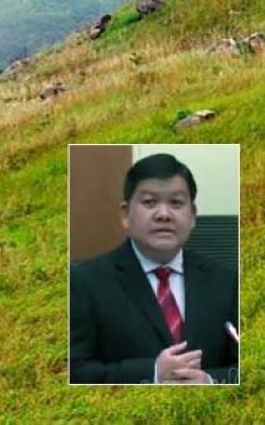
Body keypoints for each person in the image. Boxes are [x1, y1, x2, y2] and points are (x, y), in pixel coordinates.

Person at [70, 153, 239, 384]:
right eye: (149, 202)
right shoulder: (83, 283)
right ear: (125, 214)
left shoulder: (226, 281)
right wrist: (153, 374)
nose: (164, 215)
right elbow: (73, 371)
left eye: (176, 203)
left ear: (192, 216)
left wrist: (210, 381)